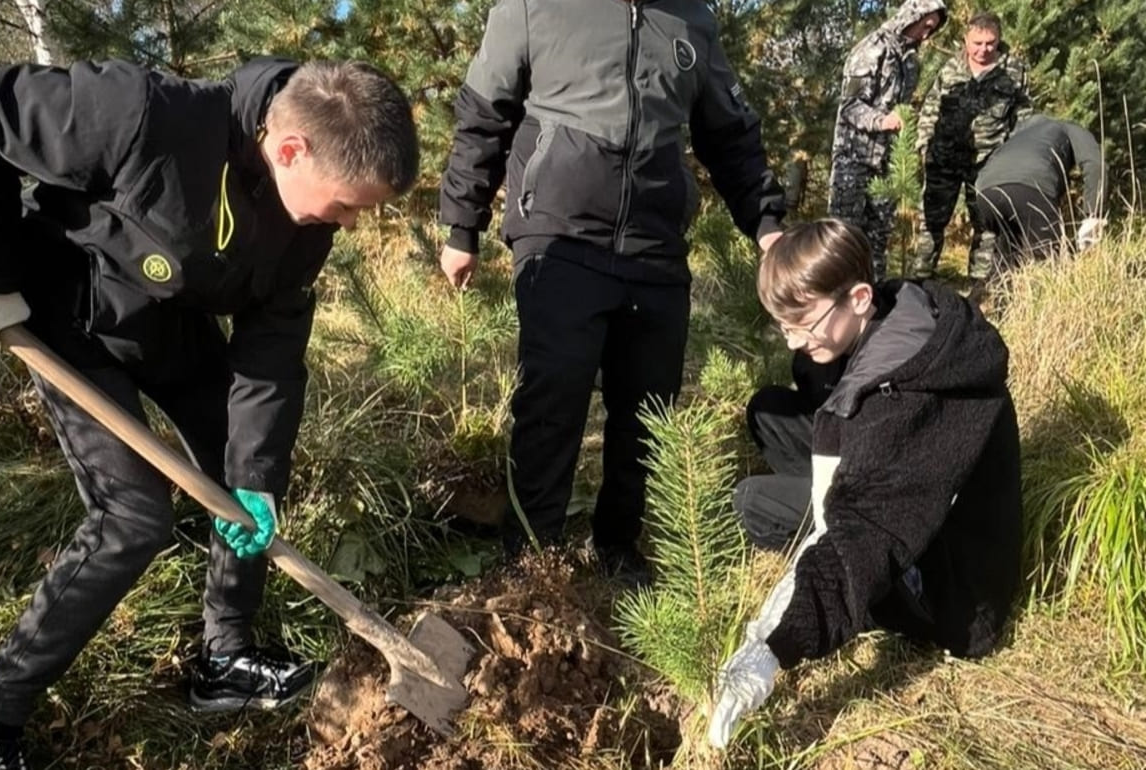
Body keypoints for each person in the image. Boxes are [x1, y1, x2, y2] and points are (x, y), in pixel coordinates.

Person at [0, 57, 418, 768]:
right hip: (67, 320)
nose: (350, 224)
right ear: (292, 150)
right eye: (349, 204)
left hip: (171, 328)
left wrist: (255, 475)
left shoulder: (305, 227)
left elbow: (271, 351)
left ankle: (226, 655)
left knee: (244, 470)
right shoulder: (143, 113)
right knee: (134, 518)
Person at [437, 0, 786, 586]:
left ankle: (618, 542)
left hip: (655, 242)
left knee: (649, 402)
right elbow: (483, 115)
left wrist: (767, 223)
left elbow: (731, 134)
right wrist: (460, 225)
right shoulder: (532, 7)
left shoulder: (691, 20)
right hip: (559, 232)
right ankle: (532, 554)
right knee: (554, 394)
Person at [706, 220, 1022, 748]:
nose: (792, 339)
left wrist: (771, 646)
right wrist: (816, 350)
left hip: (953, 596)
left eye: (802, 323)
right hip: (911, 491)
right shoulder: (902, 307)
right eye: (782, 325)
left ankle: (849, 559)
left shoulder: (906, 402)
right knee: (770, 412)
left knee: (753, 502)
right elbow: (838, 405)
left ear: (856, 297)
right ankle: (830, 488)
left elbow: (860, 542)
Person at [912, 11, 1033, 297]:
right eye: (977, 43)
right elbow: (931, 108)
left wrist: (1015, 156)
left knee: (986, 224)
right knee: (931, 222)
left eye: (990, 43)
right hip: (943, 159)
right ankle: (919, 283)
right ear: (966, 39)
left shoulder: (1014, 71)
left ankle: (979, 287)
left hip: (989, 162)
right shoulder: (951, 67)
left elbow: (1024, 117)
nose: (983, 50)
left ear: (999, 40)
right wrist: (923, 144)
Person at [828, 0, 946, 280]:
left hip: (886, 162)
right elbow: (850, 107)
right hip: (854, 161)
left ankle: (874, 303)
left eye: (933, 29)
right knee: (842, 238)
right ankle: (834, 299)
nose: (927, 34)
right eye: (925, 25)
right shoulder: (873, 49)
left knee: (877, 240)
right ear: (911, 15)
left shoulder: (910, 61)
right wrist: (883, 121)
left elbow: (902, 107)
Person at [974, 113, 1106, 268]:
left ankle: (990, 290)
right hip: (1031, 188)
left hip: (985, 192)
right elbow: (1096, 164)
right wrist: (1093, 215)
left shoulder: (1018, 136)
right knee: (1050, 264)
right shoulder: (1068, 128)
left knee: (1008, 263)